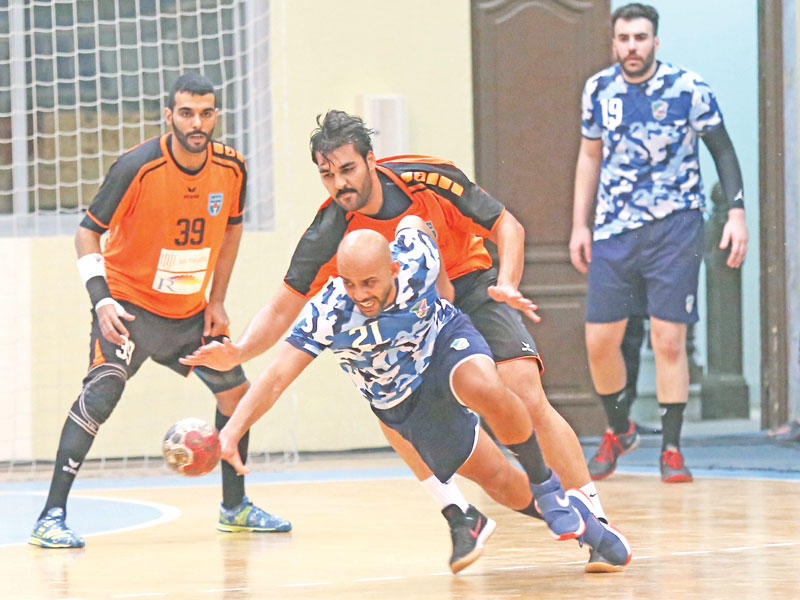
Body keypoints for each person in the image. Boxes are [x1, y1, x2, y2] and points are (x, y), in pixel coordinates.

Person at [181, 109, 626, 571]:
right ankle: (460, 512)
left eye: (348, 169)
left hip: (470, 284)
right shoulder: (329, 234)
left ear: (371, 160)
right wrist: (240, 351)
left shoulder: (427, 181)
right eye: (327, 175)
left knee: (524, 390)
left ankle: (593, 516)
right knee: (392, 407)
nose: (339, 184)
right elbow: (281, 310)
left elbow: (506, 225)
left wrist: (508, 283)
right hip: (399, 315)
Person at [28, 73, 290, 548]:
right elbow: (87, 232)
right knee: (102, 391)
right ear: (169, 116)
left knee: (236, 395)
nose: (197, 123)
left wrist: (217, 299)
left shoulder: (232, 168)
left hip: (190, 314)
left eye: (206, 113)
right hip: (128, 308)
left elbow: (231, 230)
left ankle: (234, 508)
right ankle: (50, 516)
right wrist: (101, 299)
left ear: (216, 116)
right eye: (186, 113)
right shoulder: (137, 166)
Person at [569, 3, 749, 483]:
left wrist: (736, 213)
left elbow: (723, 150)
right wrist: (580, 225)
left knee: (669, 340)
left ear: (656, 42)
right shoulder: (598, 90)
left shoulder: (688, 89)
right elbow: (589, 157)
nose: (632, 46)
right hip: (614, 230)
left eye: (641, 37)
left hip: (675, 227)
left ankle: (671, 449)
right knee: (599, 341)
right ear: (614, 43)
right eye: (624, 38)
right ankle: (619, 429)